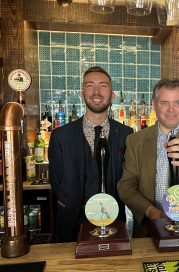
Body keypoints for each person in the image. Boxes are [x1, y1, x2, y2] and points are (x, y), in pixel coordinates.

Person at [117, 79, 179, 238]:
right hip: (148, 229)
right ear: (154, 105)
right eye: (164, 102)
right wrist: (151, 212)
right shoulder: (135, 140)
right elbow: (126, 185)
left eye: (177, 102)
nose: (171, 109)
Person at [49, 66, 133, 243]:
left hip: (114, 221)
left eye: (103, 86)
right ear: (82, 94)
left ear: (112, 95)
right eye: (90, 85)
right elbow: (56, 181)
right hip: (71, 223)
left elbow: (129, 178)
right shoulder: (60, 135)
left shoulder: (127, 134)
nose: (96, 91)